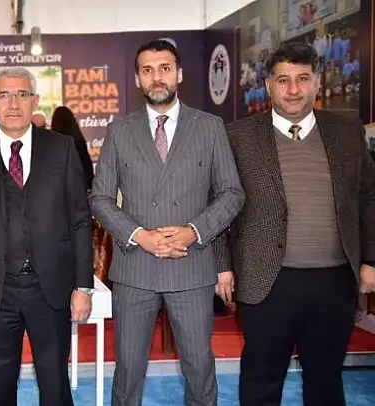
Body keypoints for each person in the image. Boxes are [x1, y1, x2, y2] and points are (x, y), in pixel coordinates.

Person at [89, 39, 244, 406]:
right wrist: (139, 236)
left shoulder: (210, 127)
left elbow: (231, 193)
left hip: (191, 265)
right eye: (147, 70)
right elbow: (99, 197)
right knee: (128, 371)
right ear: (137, 79)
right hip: (135, 268)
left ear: (179, 74)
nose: (156, 77)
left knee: (199, 367)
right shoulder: (120, 130)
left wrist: (193, 232)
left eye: (164, 68)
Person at [219, 42, 375, 406]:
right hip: (266, 282)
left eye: (303, 78)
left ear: (317, 83)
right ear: (268, 85)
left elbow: (369, 197)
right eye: (283, 80)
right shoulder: (238, 136)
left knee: (326, 380)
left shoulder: (347, 132)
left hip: (334, 282)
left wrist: (371, 259)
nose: (293, 89)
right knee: (261, 380)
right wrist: (222, 266)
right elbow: (219, 204)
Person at [0, 67, 93, 406]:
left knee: (55, 384)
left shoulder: (61, 148)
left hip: (51, 289)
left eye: (22, 95)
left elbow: (79, 221)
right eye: (4, 95)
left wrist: (83, 286)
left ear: (35, 101)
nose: (13, 103)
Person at [50, 105, 94, 191]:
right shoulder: (78, 141)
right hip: (77, 187)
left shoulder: (51, 142)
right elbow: (87, 167)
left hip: (57, 189)